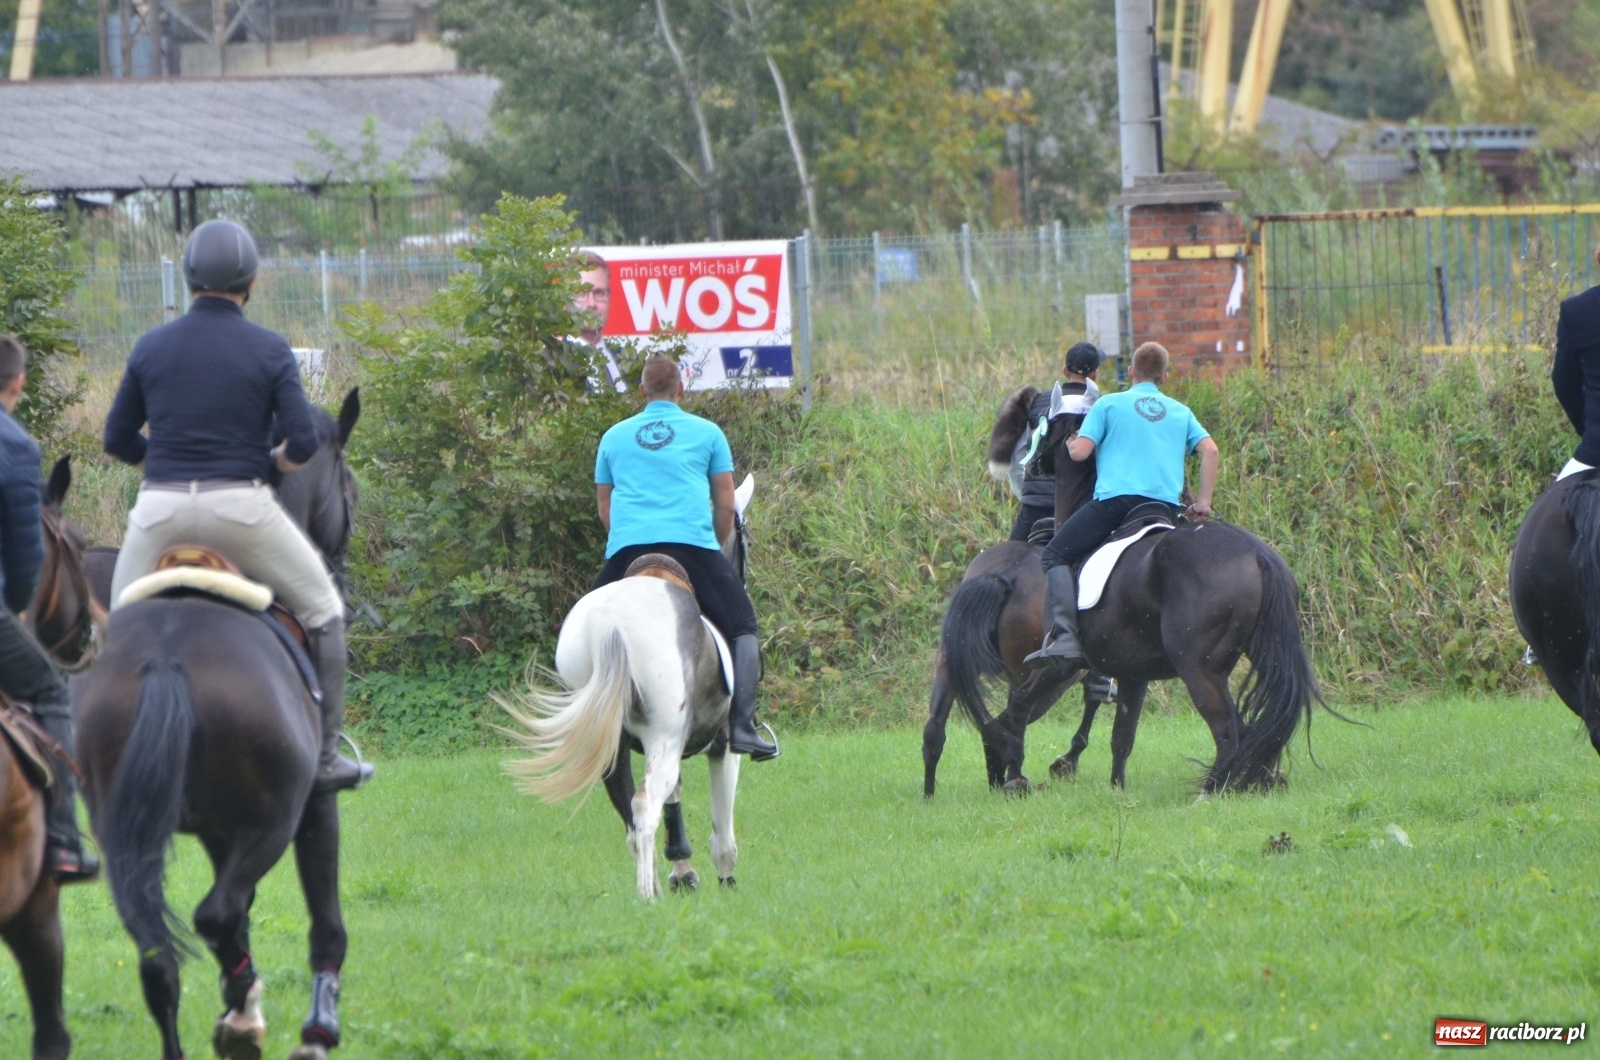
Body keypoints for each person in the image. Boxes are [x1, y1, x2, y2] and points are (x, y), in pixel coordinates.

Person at [102, 219, 372, 792]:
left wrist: (162, 465)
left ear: (188, 278)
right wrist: (271, 464)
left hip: (160, 511)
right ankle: (327, 756)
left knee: (113, 628)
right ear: (251, 282)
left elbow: (117, 438)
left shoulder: (151, 346)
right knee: (324, 609)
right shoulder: (269, 348)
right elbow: (304, 442)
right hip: (240, 509)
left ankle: (94, 750)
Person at [592, 355, 778, 760]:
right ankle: (743, 727)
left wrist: (628, 542)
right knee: (743, 624)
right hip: (692, 548)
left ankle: (580, 716)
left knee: (583, 626)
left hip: (627, 551)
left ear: (641, 391)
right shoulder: (708, 433)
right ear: (682, 389)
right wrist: (712, 545)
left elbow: (606, 511)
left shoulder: (612, 437)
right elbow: (725, 507)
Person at [1025, 341, 1220, 671]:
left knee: (1054, 554)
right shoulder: (1181, 411)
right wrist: (1203, 502)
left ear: (1131, 372)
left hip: (1116, 505)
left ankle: (1067, 637)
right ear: (1164, 376)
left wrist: (1072, 444)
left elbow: (1081, 453)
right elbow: (1211, 451)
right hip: (1163, 509)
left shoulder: (1109, 404)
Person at [0, 335, 98, 881]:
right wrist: (17, 611)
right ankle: (62, 840)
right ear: (17, 383)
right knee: (51, 690)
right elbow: (24, 559)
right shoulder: (14, 446)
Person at [1006, 341, 1105, 543]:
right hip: (1086, 507)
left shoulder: (1037, 403)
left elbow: (1016, 459)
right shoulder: (1104, 407)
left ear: (1064, 370)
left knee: (1009, 553)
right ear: (1095, 375)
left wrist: (1027, 494)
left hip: (1036, 508)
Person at [1552, 247, 1600, 481]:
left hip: (1595, 454)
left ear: (1599, 257)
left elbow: (1564, 384)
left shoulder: (1576, 311)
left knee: (1553, 499)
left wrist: (1589, 430)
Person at [574, 251, 628, 394]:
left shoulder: (630, 361)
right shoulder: (554, 366)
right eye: (581, 293)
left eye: (599, 293)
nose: (591, 304)